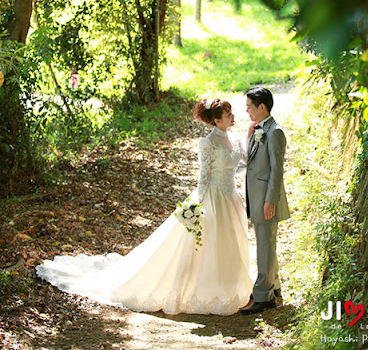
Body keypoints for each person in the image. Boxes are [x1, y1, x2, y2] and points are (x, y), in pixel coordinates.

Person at [36, 98, 252, 316]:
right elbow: (203, 176)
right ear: (216, 120)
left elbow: (243, 160)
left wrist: (255, 135)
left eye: (231, 113)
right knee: (207, 244)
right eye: (228, 114)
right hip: (212, 197)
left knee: (229, 241)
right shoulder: (207, 143)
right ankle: (206, 291)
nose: (233, 117)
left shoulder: (234, 139)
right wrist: (198, 204)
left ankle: (229, 287)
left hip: (230, 197)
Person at [240, 86, 290, 315]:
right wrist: (250, 135)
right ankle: (274, 288)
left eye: (250, 107)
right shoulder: (259, 129)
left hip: (266, 200)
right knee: (267, 245)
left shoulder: (275, 132)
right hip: (257, 197)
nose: (247, 111)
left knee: (265, 246)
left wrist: (270, 200)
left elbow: (277, 171)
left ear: (262, 107)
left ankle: (263, 296)